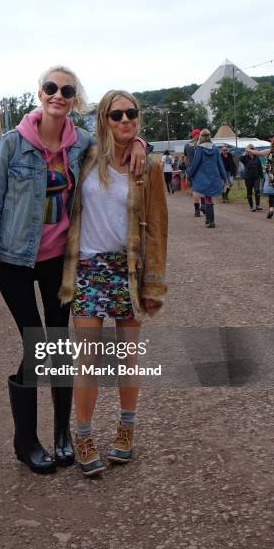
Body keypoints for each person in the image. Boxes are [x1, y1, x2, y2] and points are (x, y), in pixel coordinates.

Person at [0, 66, 147, 475]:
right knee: (37, 347)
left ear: (74, 99)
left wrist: (139, 139)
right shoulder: (13, 144)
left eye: (66, 90)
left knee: (59, 349)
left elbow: (116, 140)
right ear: (40, 93)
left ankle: (64, 436)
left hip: (58, 260)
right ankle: (27, 441)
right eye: (51, 87)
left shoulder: (81, 143)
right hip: (14, 259)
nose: (58, 94)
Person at [59, 90, 168, 476]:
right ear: (104, 119)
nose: (125, 120)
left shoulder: (149, 167)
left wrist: (153, 284)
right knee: (87, 358)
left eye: (132, 114)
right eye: (116, 115)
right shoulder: (85, 157)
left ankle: (126, 430)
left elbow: (157, 229)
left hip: (129, 270)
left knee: (128, 357)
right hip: (87, 269)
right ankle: (84, 435)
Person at [186, 129, 227, 228]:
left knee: (206, 198)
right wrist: (224, 177)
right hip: (214, 177)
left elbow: (195, 164)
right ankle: (209, 220)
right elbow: (220, 164)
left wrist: (189, 175)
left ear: (201, 137)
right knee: (209, 198)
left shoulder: (199, 149)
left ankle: (210, 221)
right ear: (209, 137)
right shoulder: (215, 149)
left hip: (202, 178)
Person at [184, 128, 205, 216]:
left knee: (195, 189)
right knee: (203, 187)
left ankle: (197, 210)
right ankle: (203, 205)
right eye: (200, 134)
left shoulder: (187, 145)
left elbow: (186, 158)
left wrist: (186, 169)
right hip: (201, 168)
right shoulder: (202, 144)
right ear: (197, 135)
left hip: (191, 169)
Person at [239, 144, 264, 211]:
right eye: (250, 149)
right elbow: (240, 158)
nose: (252, 150)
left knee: (257, 190)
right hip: (248, 178)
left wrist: (261, 176)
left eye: (252, 149)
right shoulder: (245, 158)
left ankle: (257, 205)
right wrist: (246, 151)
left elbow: (260, 167)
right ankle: (251, 206)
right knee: (249, 192)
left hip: (256, 177)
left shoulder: (256, 157)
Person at [263, 140, 274, 219]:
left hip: (271, 175)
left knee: (271, 194)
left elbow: (267, 165)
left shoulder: (269, 152)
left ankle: (271, 209)